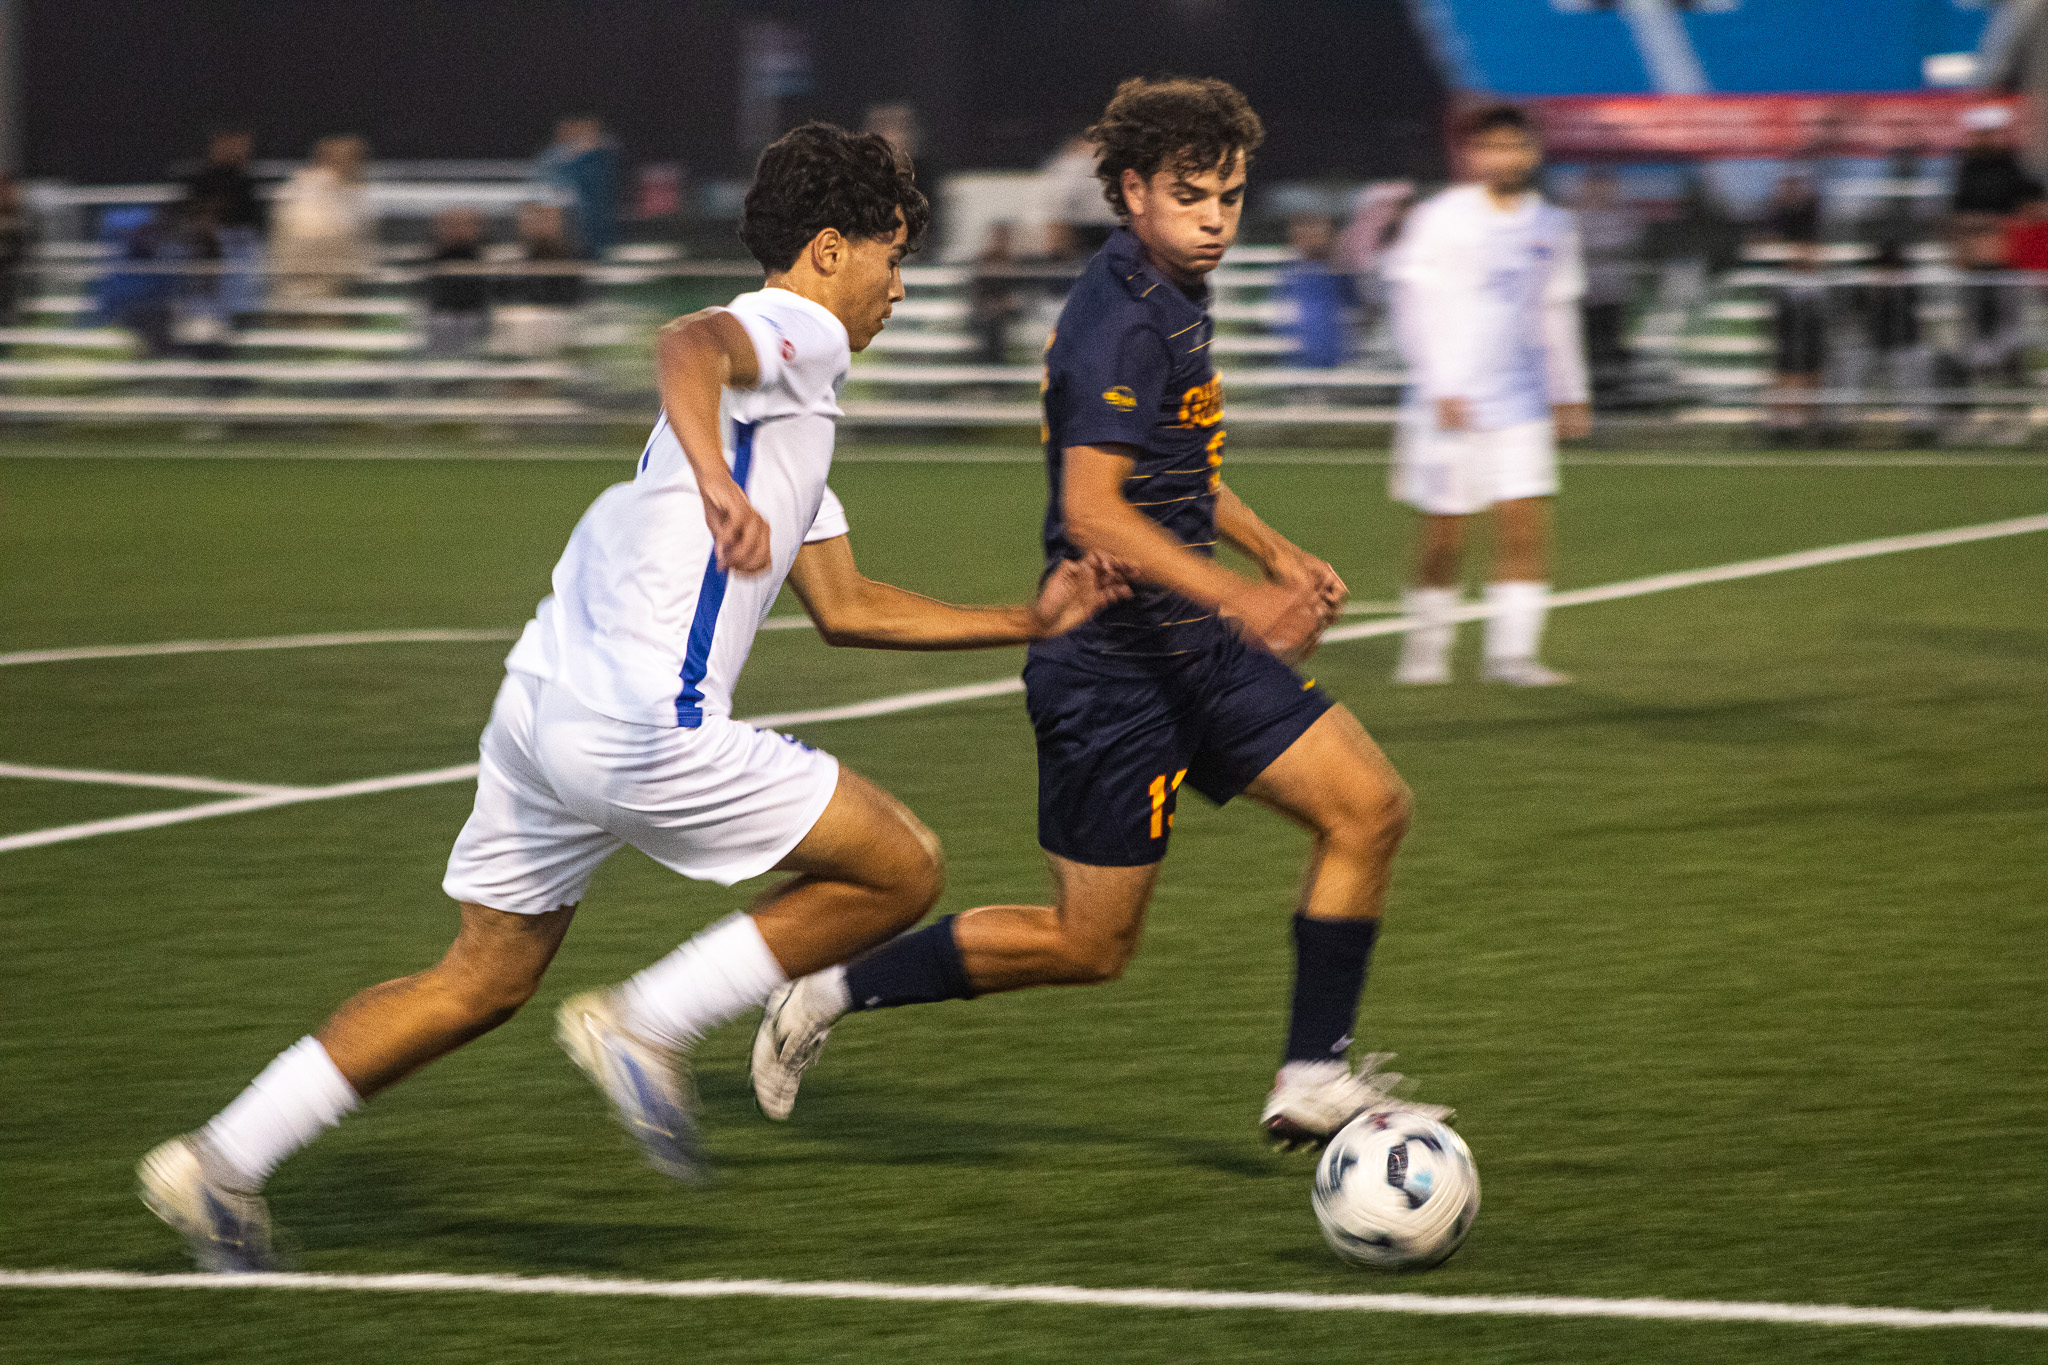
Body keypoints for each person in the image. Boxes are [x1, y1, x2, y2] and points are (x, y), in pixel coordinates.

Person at [136, 121, 1126, 1273]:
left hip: (545, 707)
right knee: (899, 868)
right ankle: (647, 1022)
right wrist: (714, 483)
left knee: (481, 976)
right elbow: (688, 342)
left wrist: (1025, 618)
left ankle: (222, 1159)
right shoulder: (792, 334)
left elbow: (851, 608)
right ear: (822, 251)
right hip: (642, 719)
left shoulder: (793, 418)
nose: (898, 289)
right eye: (889, 257)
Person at [749, 77, 1451, 1153]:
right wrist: (1244, 597)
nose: (1214, 217)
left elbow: (1169, 474)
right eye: (1189, 195)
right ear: (1130, 191)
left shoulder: (1173, 292)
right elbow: (1090, 509)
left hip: (1193, 649)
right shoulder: (1118, 317)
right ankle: (830, 992)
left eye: (1229, 196)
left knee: (1368, 810)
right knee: (1088, 946)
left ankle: (1312, 1073)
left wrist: (1271, 552)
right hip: (1109, 671)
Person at [1383, 105, 1590, 687]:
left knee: (1524, 526)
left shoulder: (1553, 226)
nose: (1505, 157)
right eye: (1491, 147)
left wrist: (1569, 391)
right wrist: (1439, 382)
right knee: (1444, 533)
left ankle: (1513, 657)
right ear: (1473, 155)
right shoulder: (1440, 219)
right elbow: (1411, 307)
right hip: (1452, 403)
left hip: (1521, 404)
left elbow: (1556, 312)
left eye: (1515, 146)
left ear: (1533, 152)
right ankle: (1426, 652)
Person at [270, 135, 373, 304]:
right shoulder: (298, 193)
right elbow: (308, 241)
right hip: (304, 292)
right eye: (347, 156)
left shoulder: (350, 195)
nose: (357, 165)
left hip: (337, 292)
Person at [185, 128, 268, 326]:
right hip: (211, 255)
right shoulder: (201, 182)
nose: (237, 150)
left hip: (238, 252)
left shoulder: (247, 184)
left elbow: (255, 226)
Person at [1570, 168, 1643, 392]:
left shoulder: (1625, 216)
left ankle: (1616, 390)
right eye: (1594, 188)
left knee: (1612, 341)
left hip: (1613, 295)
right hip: (1583, 295)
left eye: (1605, 188)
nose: (1600, 193)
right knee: (1585, 343)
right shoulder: (1573, 218)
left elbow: (1633, 247)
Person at [489, 201, 582, 360]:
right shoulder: (504, 264)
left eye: (546, 217)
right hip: (516, 342)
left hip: (560, 341)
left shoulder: (577, 264)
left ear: (560, 221)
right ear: (521, 224)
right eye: (532, 217)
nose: (539, 224)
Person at [1275, 211, 1357, 369]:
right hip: (1300, 346)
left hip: (1332, 344)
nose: (1312, 239)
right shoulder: (1290, 273)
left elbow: (1354, 302)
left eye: (1318, 233)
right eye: (1305, 234)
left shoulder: (1339, 272)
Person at [534, 116, 621, 261]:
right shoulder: (555, 156)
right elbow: (546, 187)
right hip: (574, 228)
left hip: (593, 224)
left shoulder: (599, 157)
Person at [420, 207, 490, 358]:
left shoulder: (489, 270)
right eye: (451, 223)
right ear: (437, 227)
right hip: (436, 326)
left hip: (478, 326)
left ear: (478, 228)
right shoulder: (424, 270)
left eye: (464, 223)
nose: (457, 229)